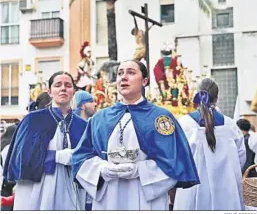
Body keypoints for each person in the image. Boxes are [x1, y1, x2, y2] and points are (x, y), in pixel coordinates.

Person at [72, 60, 199, 211]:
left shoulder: (161, 118)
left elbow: (176, 161)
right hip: (109, 196)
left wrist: (141, 170)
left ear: (144, 81)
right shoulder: (100, 118)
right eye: (120, 73)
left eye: (131, 72)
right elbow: (81, 158)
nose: (123, 77)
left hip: (146, 197)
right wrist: (101, 169)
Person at [3, 71, 88, 210]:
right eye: (58, 85)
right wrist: (56, 156)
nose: (63, 88)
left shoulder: (83, 125)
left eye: (68, 85)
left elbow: (89, 158)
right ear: (50, 91)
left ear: (73, 91)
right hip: (38, 191)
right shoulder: (33, 120)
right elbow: (21, 158)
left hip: (72, 193)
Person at [173, 78, 246, 210]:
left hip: (192, 190)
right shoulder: (230, 125)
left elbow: (176, 158)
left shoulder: (184, 123)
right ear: (217, 98)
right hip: (227, 190)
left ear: (197, 95)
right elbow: (241, 158)